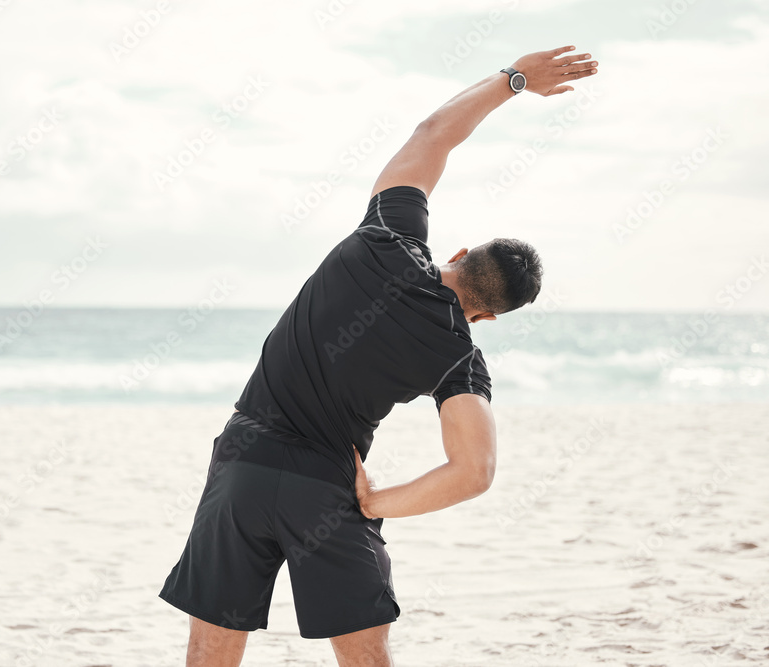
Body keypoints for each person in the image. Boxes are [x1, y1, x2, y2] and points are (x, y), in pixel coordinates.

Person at [158, 45, 599, 667]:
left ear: (462, 250)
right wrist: (378, 501)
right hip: (327, 486)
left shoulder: (386, 235)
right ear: (492, 316)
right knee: (365, 654)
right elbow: (474, 471)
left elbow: (433, 134)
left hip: (244, 462)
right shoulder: (458, 357)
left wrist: (516, 79)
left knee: (212, 645)